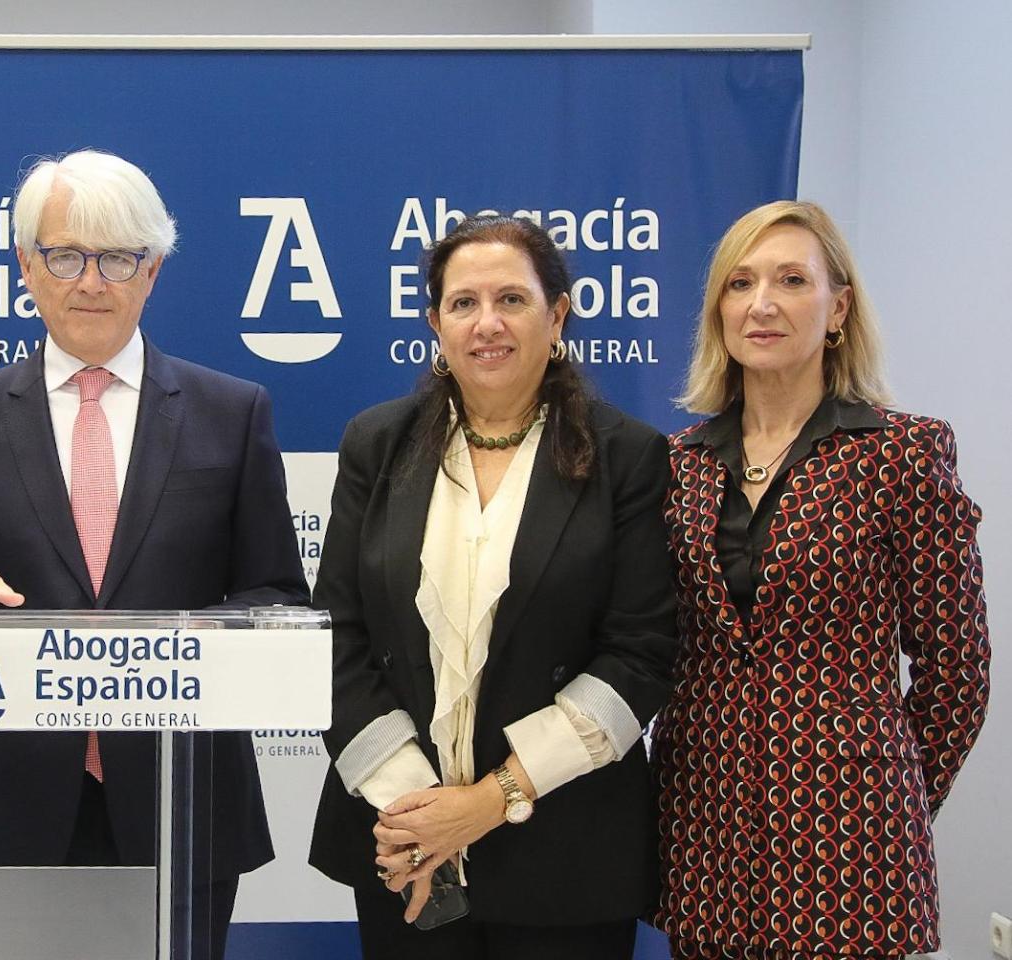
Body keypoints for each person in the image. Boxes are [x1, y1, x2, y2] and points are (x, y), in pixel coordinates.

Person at [0, 148, 308, 960]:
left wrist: (204, 640)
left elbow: (276, 593)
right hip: (6, 799)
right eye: (66, 255)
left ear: (153, 271)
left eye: (118, 257)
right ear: (25, 267)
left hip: (183, 797)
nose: (91, 281)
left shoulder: (232, 412)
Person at [308, 215, 678, 960]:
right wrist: (420, 817)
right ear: (435, 323)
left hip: (566, 851)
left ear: (558, 315)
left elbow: (638, 655)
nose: (488, 324)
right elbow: (335, 639)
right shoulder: (375, 445)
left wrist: (486, 803)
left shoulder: (629, 457)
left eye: (511, 299)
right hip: (403, 850)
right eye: (463, 303)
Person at [653, 200, 991, 960]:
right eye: (739, 284)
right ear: (718, 311)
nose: (761, 303)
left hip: (852, 844)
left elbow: (957, 671)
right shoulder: (679, 463)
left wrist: (885, 794)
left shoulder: (903, 453)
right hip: (705, 831)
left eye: (791, 280)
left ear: (837, 307)